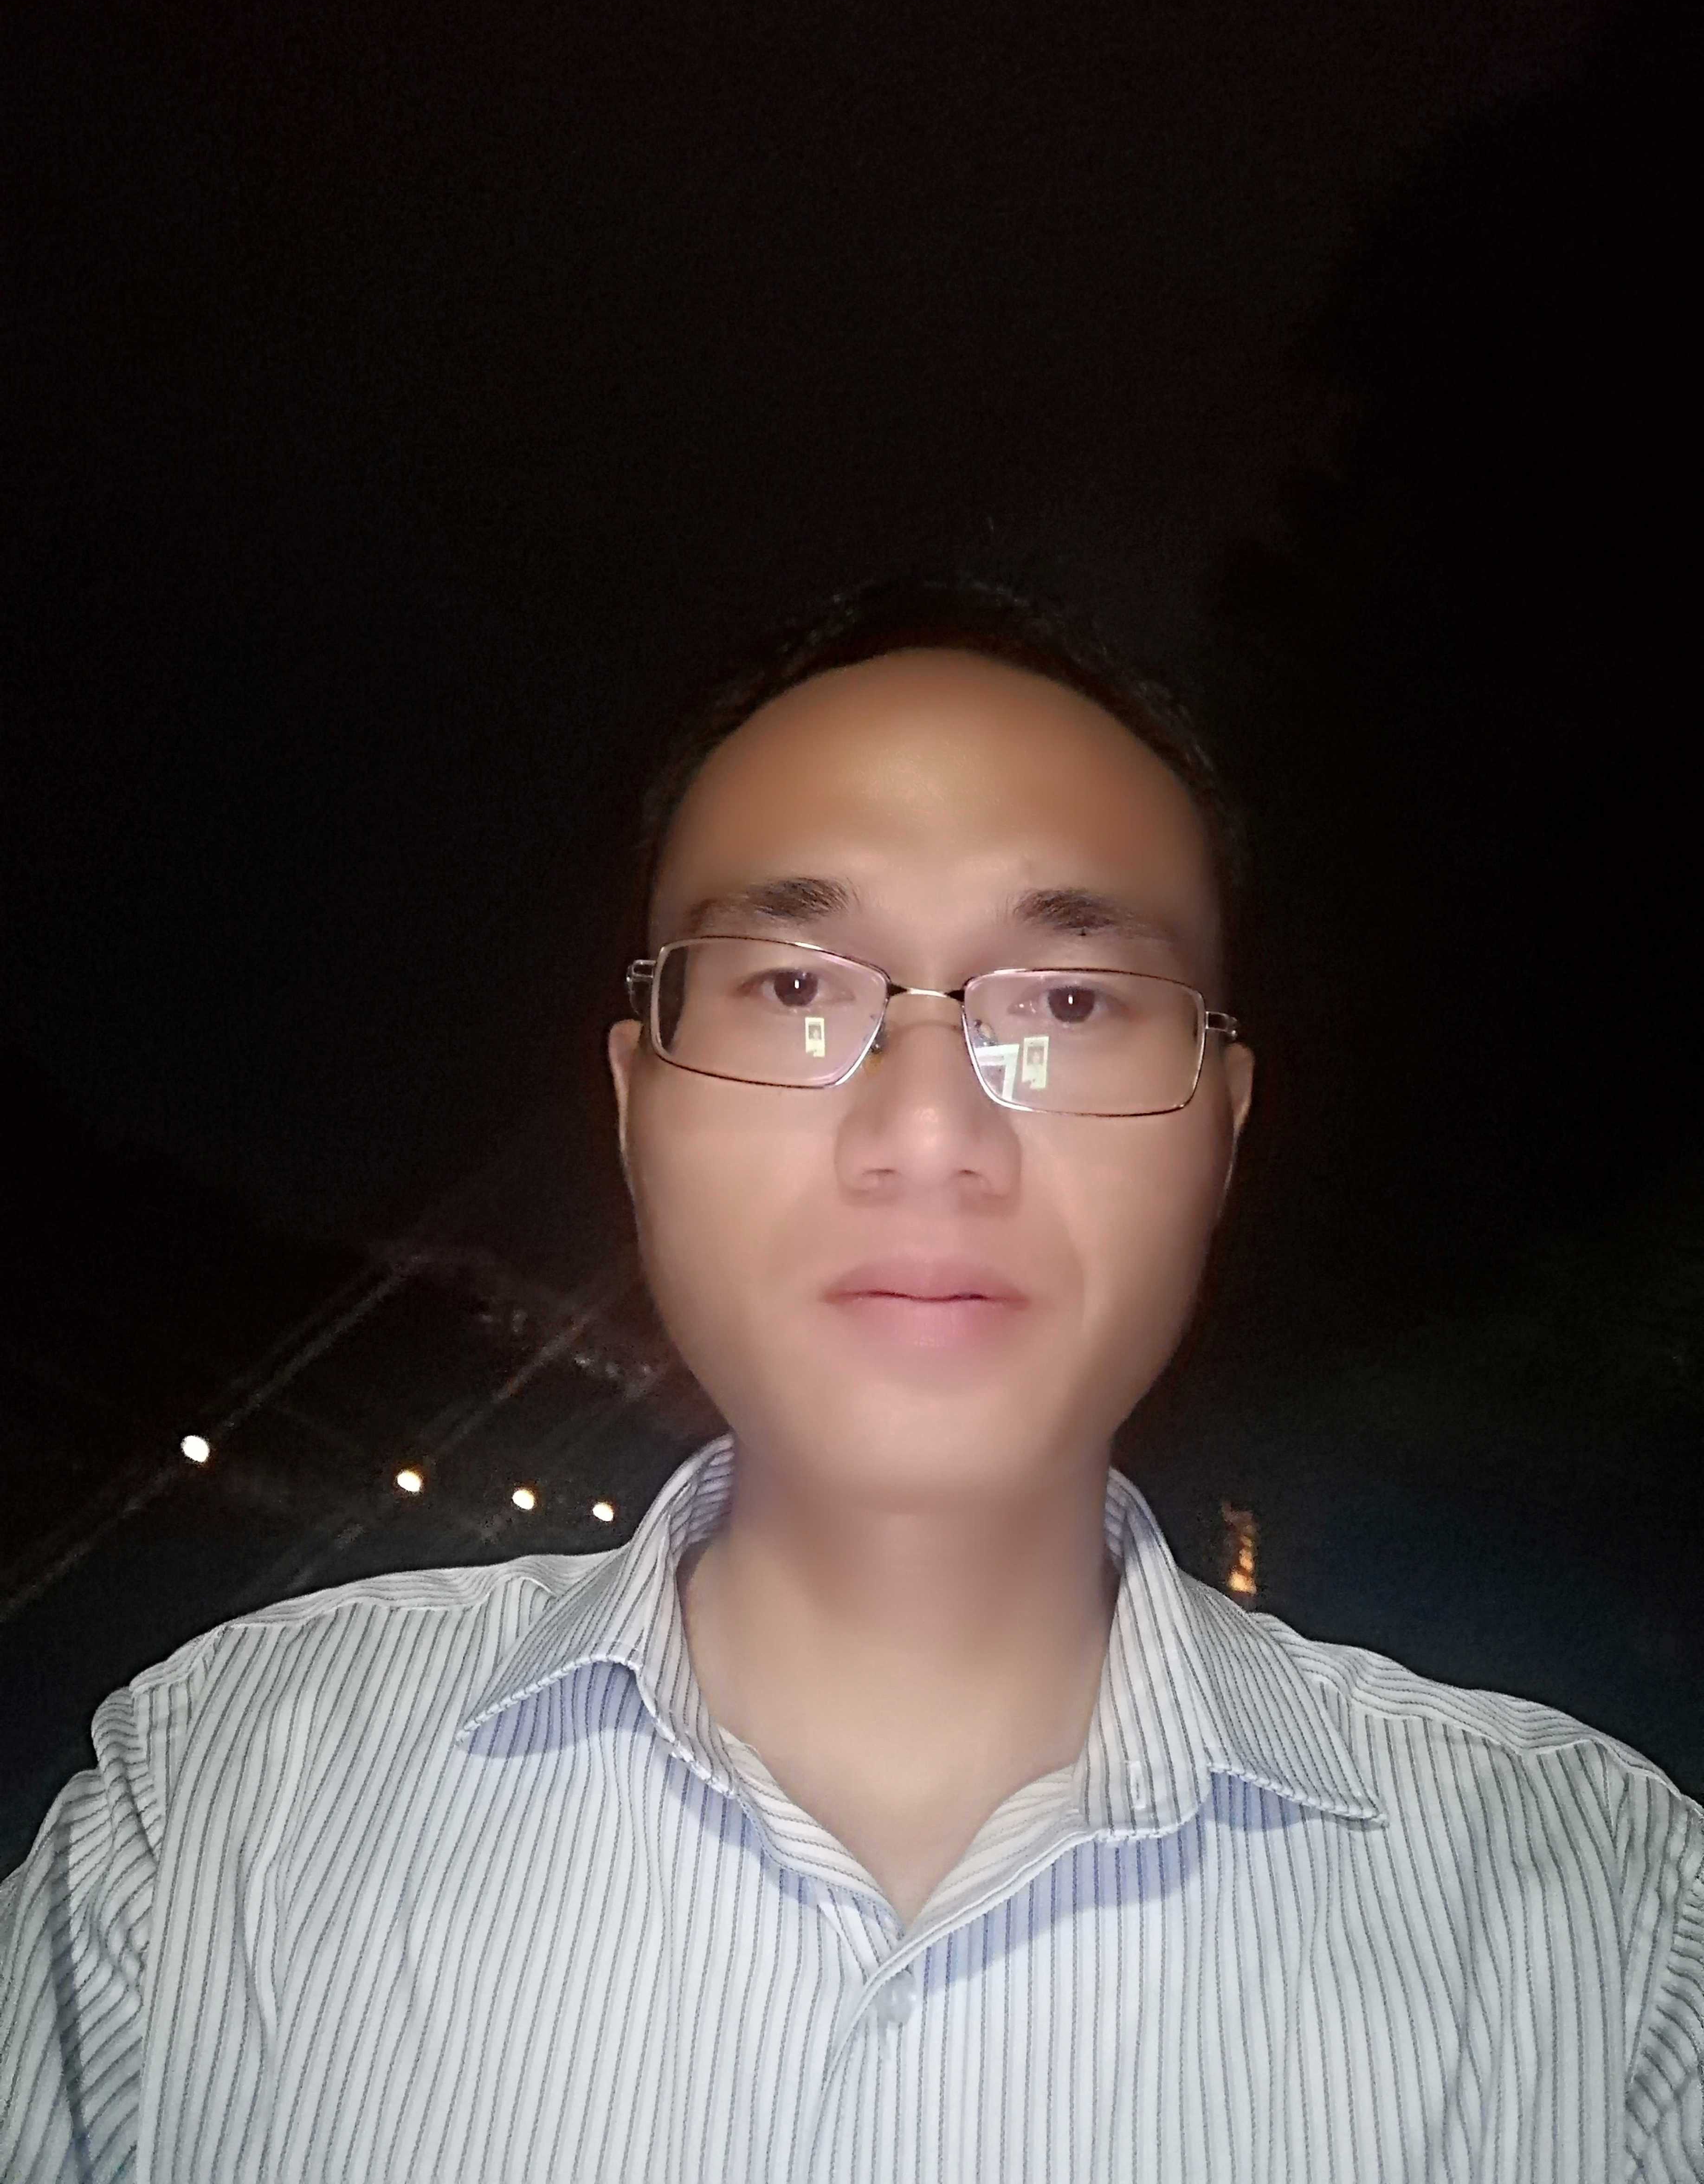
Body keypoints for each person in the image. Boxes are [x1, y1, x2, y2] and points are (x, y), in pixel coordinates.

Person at [2, 574, 1700, 2182]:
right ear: (636, 1106)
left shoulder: (1600, 1941)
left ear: (1223, 1129)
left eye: (1073, 1001)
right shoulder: (221, 1814)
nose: (929, 1131)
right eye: (795, 988)